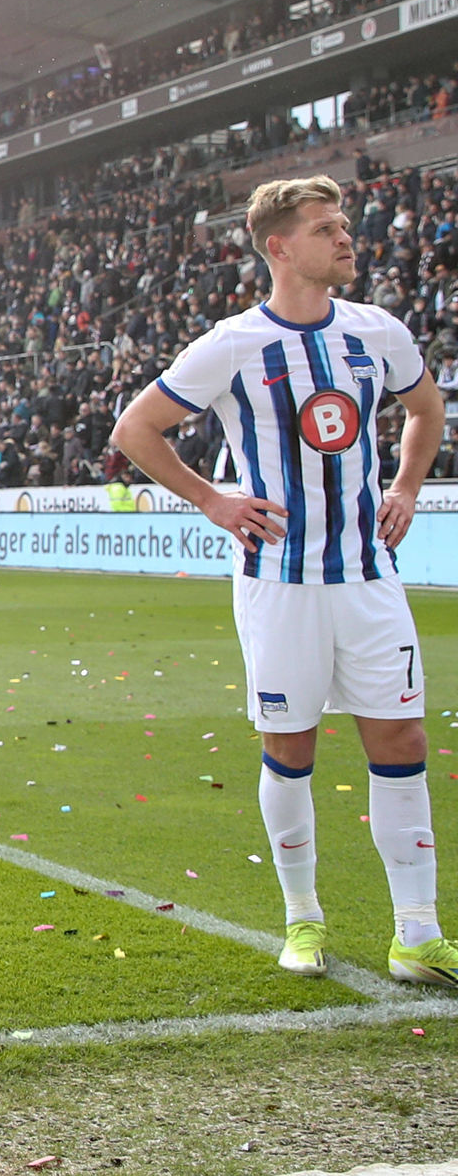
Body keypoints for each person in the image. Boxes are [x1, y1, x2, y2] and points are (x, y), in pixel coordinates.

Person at [111, 174, 454, 987]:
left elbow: (426, 409)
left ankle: (419, 934)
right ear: (280, 247)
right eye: (328, 228)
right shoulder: (234, 343)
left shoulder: (377, 332)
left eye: (343, 225)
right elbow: (137, 429)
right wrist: (214, 501)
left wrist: (404, 487)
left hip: (369, 579)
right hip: (278, 583)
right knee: (290, 748)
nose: (345, 239)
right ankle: (302, 920)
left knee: (401, 741)